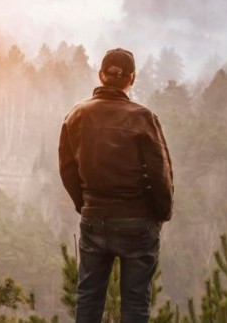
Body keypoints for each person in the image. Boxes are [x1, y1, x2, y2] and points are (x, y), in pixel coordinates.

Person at [59, 47, 174, 323]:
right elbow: (161, 174)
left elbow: (67, 169)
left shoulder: (76, 115)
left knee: (88, 300)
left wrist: (85, 204)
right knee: (135, 304)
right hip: (137, 223)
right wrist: (161, 216)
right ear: (131, 79)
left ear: (101, 75)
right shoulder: (143, 118)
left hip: (94, 219)